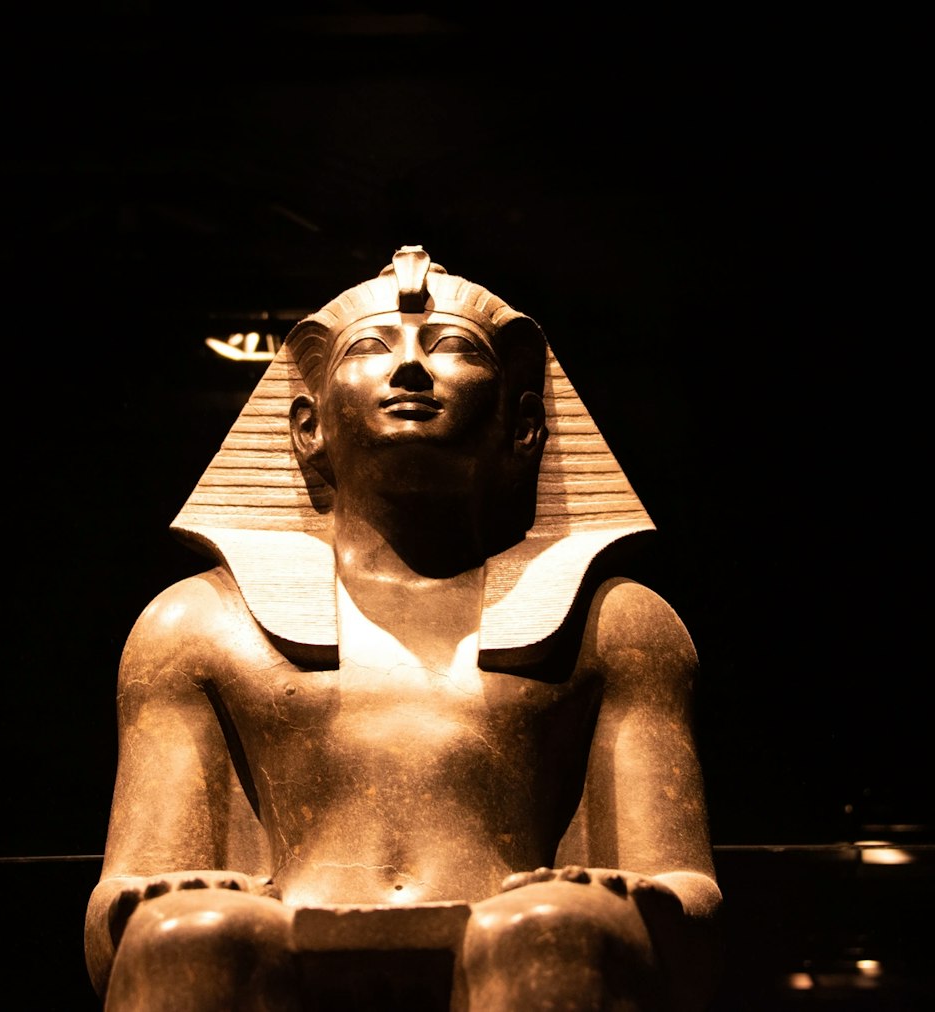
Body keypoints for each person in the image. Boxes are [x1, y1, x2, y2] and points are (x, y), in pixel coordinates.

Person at [86, 247, 720, 1010]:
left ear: (525, 424)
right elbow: (119, 915)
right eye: (370, 348)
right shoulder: (198, 625)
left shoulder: (615, 623)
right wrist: (164, 906)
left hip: (518, 947)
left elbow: (688, 894)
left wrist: (625, 903)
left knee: (552, 929)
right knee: (196, 935)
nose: (411, 368)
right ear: (307, 426)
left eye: (451, 347)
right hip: (279, 953)